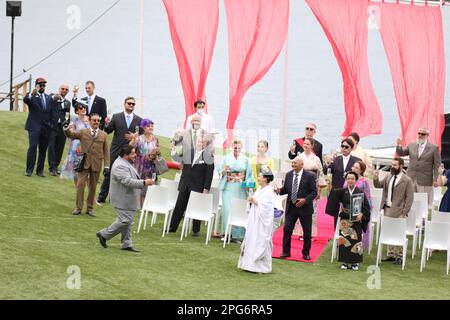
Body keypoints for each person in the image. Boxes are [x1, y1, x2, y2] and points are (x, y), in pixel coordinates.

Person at [96, 145, 154, 252]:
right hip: (122, 199)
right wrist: (144, 182)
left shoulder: (126, 163)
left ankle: (126, 244)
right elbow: (127, 181)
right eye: (132, 153)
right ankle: (104, 234)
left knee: (129, 222)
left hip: (128, 198)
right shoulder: (120, 166)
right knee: (125, 220)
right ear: (125, 155)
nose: (135, 155)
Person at [97, 97, 143, 204]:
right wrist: (106, 123)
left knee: (128, 175)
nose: (131, 105)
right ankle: (101, 197)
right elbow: (108, 130)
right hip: (116, 150)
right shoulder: (117, 117)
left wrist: (136, 136)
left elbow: (142, 134)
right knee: (110, 174)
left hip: (130, 152)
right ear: (125, 104)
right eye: (129, 103)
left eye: (133, 104)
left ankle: (119, 198)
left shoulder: (139, 120)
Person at [64, 113, 110, 217]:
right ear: (89, 121)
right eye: (94, 120)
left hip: (96, 163)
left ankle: (90, 209)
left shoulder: (103, 134)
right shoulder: (83, 132)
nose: (96, 122)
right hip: (83, 163)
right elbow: (71, 135)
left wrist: (107, 166)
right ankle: (78, 208)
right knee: (80, 185)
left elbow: (106, 151)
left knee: (93, 187)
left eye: (98, 121)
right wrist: (66, 128)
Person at [168, 134, 215, 235]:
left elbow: (209, 175)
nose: (200, 144)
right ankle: (172, 228)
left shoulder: (209, 156)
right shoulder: (189, 152)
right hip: (185, 184)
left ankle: (195, 230)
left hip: (198, 185)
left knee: (196, 207)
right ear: (196, 142)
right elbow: (177, 159)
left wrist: (206, 189)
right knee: (179, 207)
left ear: (206, 144)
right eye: (199, 142)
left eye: (203, 142)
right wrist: (173, 150)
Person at [325, 171, 370, 270]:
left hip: (356, 220)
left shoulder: (360, 192)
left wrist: (362, 214)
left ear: (356, 180)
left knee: (356, 240)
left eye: (352, 179)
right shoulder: (342, 191)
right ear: (346, 180)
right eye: (348, 178)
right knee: (344, 240)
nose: (350, 180)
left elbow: (367, 207)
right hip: (345, 218)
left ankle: (355, 262)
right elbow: (333, 194)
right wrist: (329, 186)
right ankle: (344, 261)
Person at [373, 157, 414, 265]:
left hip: (399, 211)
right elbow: (378, 185)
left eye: (395, 165)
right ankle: (390, 254)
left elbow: (410, 198)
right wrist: (376, 177)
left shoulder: (407, 180)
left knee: (399, 232)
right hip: (387, 208)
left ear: (401, 166)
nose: (392, 167)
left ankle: (400, 256)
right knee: (388, 231)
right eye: (392, 165)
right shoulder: (388, 176)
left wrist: (404, 213)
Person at [277, 156, 317, 261]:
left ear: (301, 165)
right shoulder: (289, 175)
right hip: (291, 207)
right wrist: (278, 190)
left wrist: (305, 200)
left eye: (295, 163)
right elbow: (285, 189)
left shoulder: (309, 176)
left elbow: (314, 192)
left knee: (307, 232)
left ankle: (306, 253)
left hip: (305, 208)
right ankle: (285, 251)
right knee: (287, 229)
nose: (293, 165)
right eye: (292, 163)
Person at [238, 166, 276, 274]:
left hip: (261, 222)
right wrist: (251, 201)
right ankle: (249, 264)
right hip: (254, 220)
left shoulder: (269, 191)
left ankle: (261, 267)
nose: (258, 178)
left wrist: (255, 201)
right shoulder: (259, 189)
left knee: (260, 240)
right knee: (251, 238)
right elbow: (255, 202)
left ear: (265, 178)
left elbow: (267, 208)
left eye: (260, 176)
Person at [218, 139, 254, 242]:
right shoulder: (225, 158)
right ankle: (227, 233)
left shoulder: (246, 159)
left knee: (239, 209)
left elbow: (250, 174)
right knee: (228, 209)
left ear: (241, 148)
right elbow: (220, 170)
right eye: (235, 147)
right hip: (229, 186)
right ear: (232, 147)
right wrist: (224, 171)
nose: (236, 149)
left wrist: (247, 183)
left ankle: (237, 235)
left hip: (240, 188)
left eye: (238, 148)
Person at [396, 128, 441, 209]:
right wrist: (398, 145)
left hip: (425, 180)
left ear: (427, 136)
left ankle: (423, 219)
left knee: (423, 203)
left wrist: (436, 179)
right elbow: (401, 153)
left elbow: (437, 165)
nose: (420, 135)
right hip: (411, 178)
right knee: (409, 200)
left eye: (422, 134)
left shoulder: (434, 148)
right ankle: (409, 217)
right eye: (419, 133)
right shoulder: (412, 145)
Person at [295, 137, 326, 239]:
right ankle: (300, 233)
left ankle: (310, 233)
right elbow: (295, 171)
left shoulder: (316, 159)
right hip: (301, 186)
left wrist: (319, 189)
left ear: (312, 146)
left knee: (312, 210)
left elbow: (320, 174)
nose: (305, 146)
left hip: (313, 185)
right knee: (300, 208)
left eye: (308, 144)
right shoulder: (299, 157)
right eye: (304, 144)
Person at [23, 77, 53, 177]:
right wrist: (31, 94)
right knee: (33, 146)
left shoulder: (48, 98)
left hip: (46, 128)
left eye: (44, 85)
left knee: (43, 150)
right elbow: (26, 100)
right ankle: (29, 170)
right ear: (36, 85)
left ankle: (39, 171)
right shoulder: (32, 96)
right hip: (34, 126)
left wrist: (51, 125)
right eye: (40, 85)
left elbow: (51, 112)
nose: (42, 86)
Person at [129, 118, 161, 205]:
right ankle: (141, 206)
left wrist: (156, 153)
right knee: (141, 185)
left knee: (151, 185)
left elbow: (159, 151)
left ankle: (150, 205)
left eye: (152, 126)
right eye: (148, 126)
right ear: (143, 127)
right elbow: (130, 146)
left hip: (152, 166)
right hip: (140, 166)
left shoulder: (155, 139)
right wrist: (133, 139)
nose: (151, 128)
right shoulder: (139, 138)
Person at [343, 160, 372, 250]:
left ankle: (358, 248)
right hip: (346, 210)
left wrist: (363, 213)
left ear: (361, 170)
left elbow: (368, 198)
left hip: (358, 211)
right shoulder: (347, 179)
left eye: (356, 168)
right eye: (353, 167)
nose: (354, 169)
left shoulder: (364, 182)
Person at [60, 101, 90, 185]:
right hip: (77, 147)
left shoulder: (90, 119)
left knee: (87, 171)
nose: (83, 109)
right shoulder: (74, 121)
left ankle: (91, 195)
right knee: (76, 169)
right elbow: (70, 134)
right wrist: (68, 129)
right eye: (81, 108)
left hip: (88, 146)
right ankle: (78, 191)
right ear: (77, 111)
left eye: (84, 107)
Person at [48, 84, 71, 176]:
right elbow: (49, 100)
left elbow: (67, 115)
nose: (64, 90)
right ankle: (52, 167)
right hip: (52, 127)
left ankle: (56, 166)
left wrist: (67, 125)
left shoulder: (67, 103)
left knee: (59, 147)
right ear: (59, 89)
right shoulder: (53, 97)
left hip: (62, 128)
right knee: (51, 147)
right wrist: (55, 97)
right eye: (63, 89)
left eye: (66, 89)